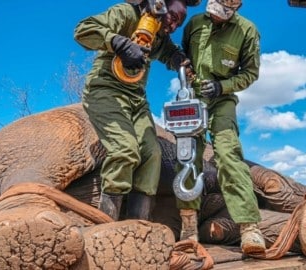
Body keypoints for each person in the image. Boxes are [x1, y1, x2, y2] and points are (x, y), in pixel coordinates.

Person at [73, 0, 190, 221]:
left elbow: (168, 52)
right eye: (173, 18)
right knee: (125, 150)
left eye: (179, 23)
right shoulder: (126, 14)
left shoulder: (160, 36)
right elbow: (83, 30)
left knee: (152, 155)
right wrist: (118, 42)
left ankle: (138, 224)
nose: (174, 26)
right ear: (160, 5)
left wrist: (179, 59)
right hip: (106, 90)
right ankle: (105, 225)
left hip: (136, 98)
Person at [178, 0, 266, 255]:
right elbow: (184, 56)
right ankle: (188, 225)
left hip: (222, 100)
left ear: (235, 9)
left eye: (222, 15)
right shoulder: (194, 24)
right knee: (187, 156)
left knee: (229, 155)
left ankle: (249, 228)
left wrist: (222, 86)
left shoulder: (247, 31)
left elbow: (250, 73)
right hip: (192, 98)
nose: (215, 18)